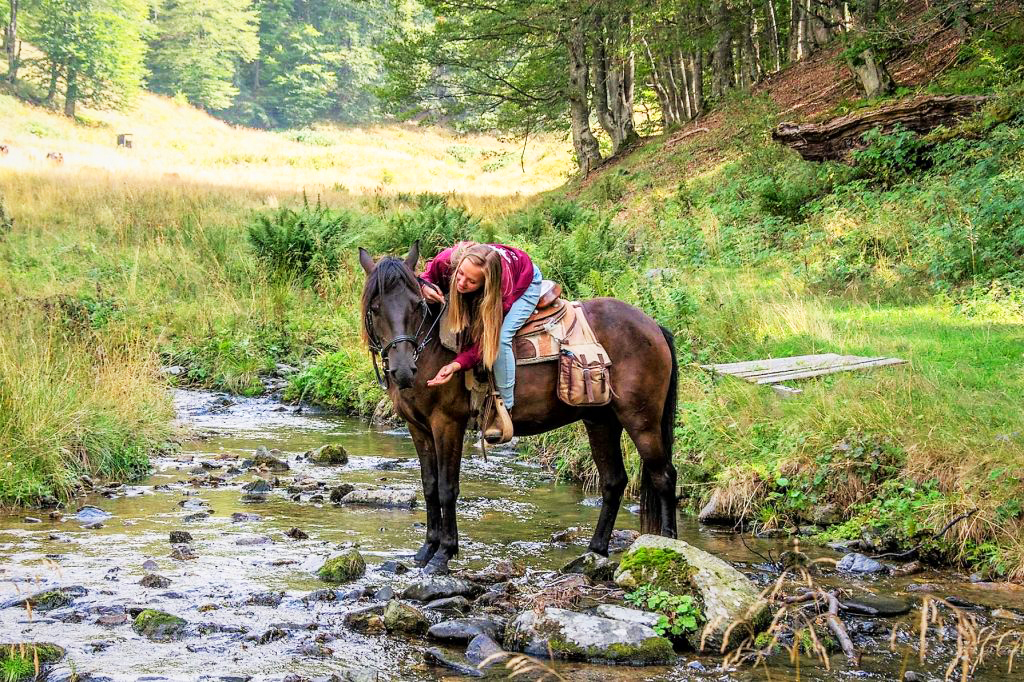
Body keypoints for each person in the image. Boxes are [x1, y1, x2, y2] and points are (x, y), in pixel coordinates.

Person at [418, 242, 542, 441]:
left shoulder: (502, 292)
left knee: (501, 339)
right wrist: (424, 286)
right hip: (497, 270)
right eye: (460, 274)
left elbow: (485, 342)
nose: (461, 283)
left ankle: (505, 408)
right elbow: (426, 276)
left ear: (485, 285)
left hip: (526, 282)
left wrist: (456, 365)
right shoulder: (446, 260)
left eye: (472, 282)